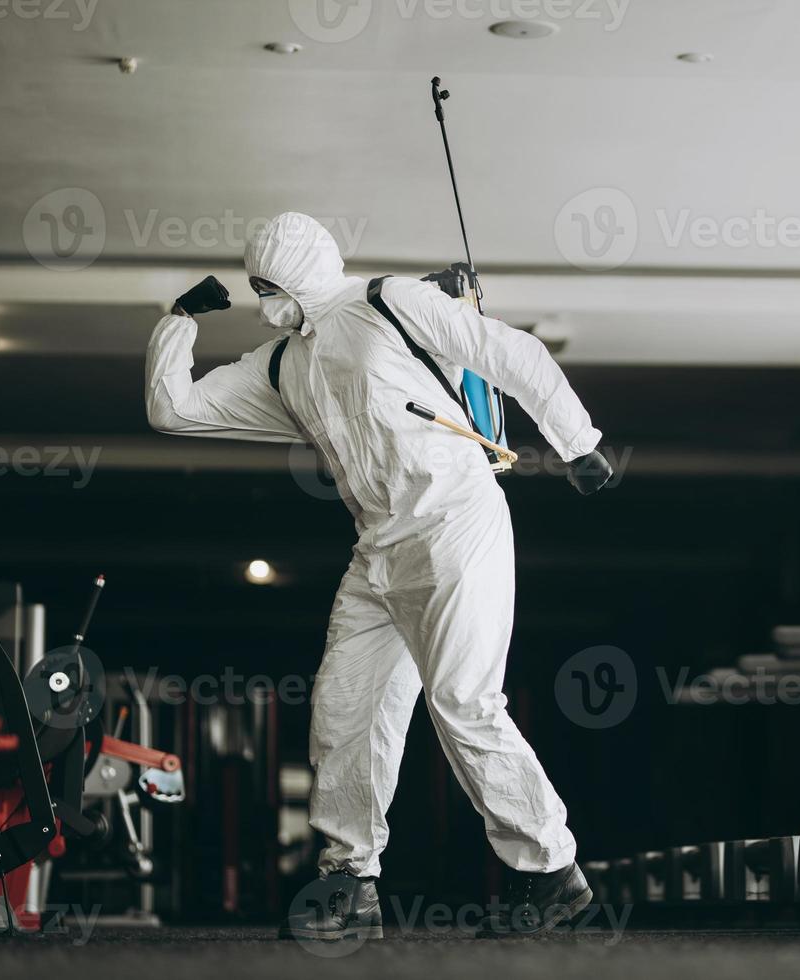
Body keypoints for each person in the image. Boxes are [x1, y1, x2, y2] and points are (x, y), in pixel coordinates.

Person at [145, 211, 613, 940]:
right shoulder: (280, 364)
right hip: (378, 552)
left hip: (458, 524)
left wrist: (577, 440)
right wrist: (178, 322)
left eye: (271, 287)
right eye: (256, 290)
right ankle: (349, 884)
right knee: (345, 707)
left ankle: (551, 871)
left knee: (463, 702)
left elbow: (507, 351)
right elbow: (173, 409)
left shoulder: (393, 300)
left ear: (301, 274)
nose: (265, 303)